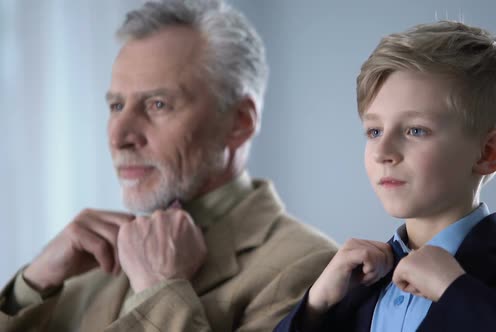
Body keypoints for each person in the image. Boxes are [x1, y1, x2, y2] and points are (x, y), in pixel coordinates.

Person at [0, 1, 337, 331]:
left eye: (157, 104)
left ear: (240, 122)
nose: (119, 136)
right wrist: (29, 288)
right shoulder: (81, 267)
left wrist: (160, 287)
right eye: (116, 105)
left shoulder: (310, 267)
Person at [275, 21, 496, 332]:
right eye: (374, 131)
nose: (382, 151)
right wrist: (315, 308)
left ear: (487, 153)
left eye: (415, 130)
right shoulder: (349, 284)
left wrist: (456, 292)